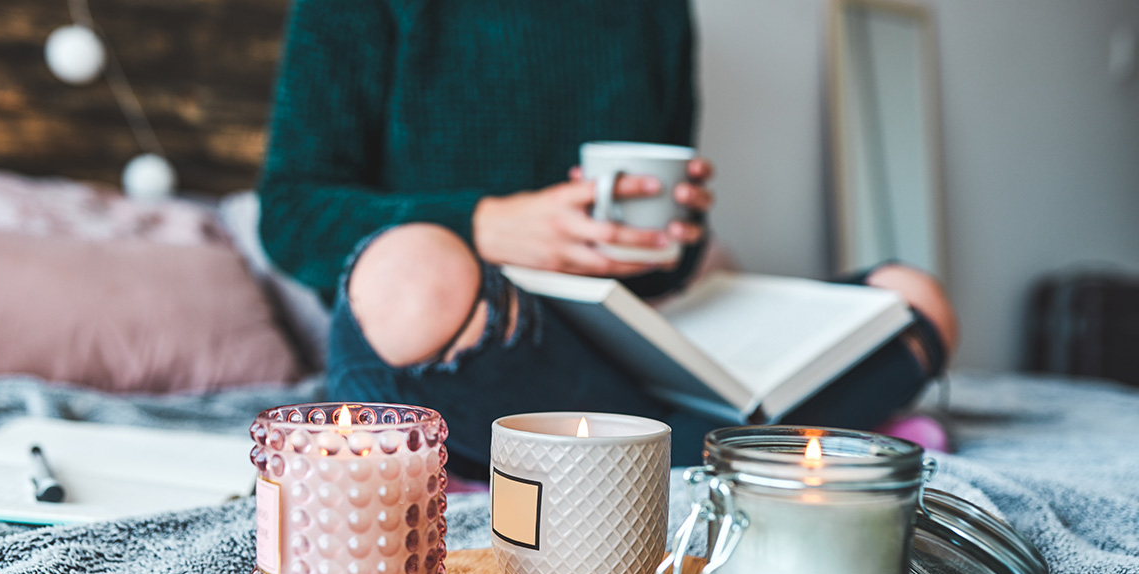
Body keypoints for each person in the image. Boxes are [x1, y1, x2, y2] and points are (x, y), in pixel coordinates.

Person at [259, 0, 958, 476]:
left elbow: (663, 267)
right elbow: (289, 214)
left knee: (914, 300)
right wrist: (487, 225)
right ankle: (715, 446)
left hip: (610, 341)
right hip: (472, 342)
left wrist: (673, 237)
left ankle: (662, 445)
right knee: (413, 272)